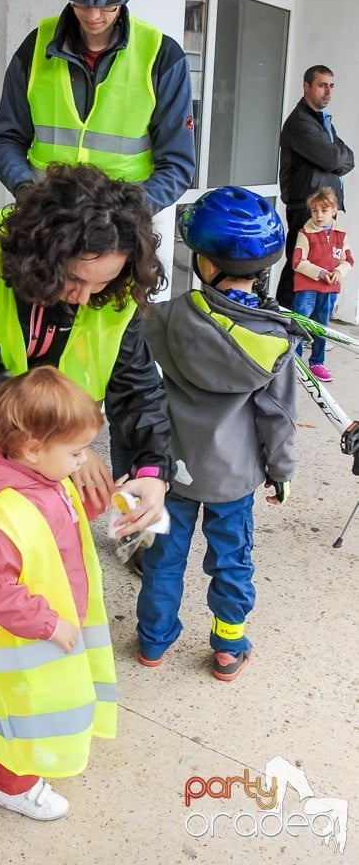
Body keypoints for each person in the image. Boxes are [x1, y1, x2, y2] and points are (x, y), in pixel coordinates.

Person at [0, 162, 175, 698]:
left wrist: (153, 470)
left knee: (38, 525)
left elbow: (137, 386)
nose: (86, 298)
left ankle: (16, 618)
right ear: (46, 255)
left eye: (103, 284)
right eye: (74, 280)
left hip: (56, 433)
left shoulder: (111, 291)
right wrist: (66, 444)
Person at [131, 187, 307, 682]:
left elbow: (138, 380)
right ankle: (229, 649)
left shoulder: (166, 319)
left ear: (204, 264)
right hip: (234, 478)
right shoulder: (274, 340)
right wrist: (281, 471)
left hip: (172, 469)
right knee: (232, 560)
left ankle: (152, 641)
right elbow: (277, 417)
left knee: (162, 558)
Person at [0, 367, 115, 821]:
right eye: (76, 452)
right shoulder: (1, 514)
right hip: (20, 635)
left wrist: (108, 496)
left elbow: (65, 516)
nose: (83, 460)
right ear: (33, 449)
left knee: (19, 706)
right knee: (19, 712)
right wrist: (49, 624)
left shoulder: (43, 478)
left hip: (40, 624)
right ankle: (16, 787)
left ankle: (8, 751)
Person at [0, 0, 195, 214]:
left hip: (121, 235)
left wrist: (128, 214)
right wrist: (25, 190)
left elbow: (176, 165)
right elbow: (7, 138)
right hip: (47, 226)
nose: (94, 15)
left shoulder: (163, 57)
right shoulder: (35, 48)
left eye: (108, 4)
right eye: (82, 2)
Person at [276, 65, 354, 308]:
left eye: (331, 86)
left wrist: (335, 158)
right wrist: (334, 159)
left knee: (322, 268)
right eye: (322, 85)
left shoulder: (322, 123)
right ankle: (285, 327)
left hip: (323, 207)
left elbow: (349, 157)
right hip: (306, 208)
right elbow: (332, 159)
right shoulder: (300, 122)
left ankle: (307, 329)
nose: (328, 92)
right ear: (306, 86)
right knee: (298, 268)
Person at [291, 186, 354, 382]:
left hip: (329, 290)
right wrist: (319, 272)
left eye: (324, 211)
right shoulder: (305, 233)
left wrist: (338, 272)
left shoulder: (341, 235)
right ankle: (295, 361)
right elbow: (297, 262)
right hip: (306, 289)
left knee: (322, 327)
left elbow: (348, 260)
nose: (319, 215)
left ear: (334, 210)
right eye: (314, 210)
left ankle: (317, 363)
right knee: (300, 325)